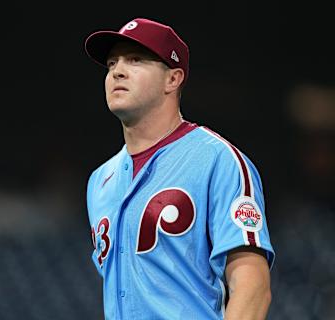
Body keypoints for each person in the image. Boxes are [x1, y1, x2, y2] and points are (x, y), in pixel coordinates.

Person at [84, 17, 275, 319]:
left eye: (135, 60)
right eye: (111, 63)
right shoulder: (99, 180)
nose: (117, 71)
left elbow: (252, 286)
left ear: (173, 79)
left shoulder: (217, 159)